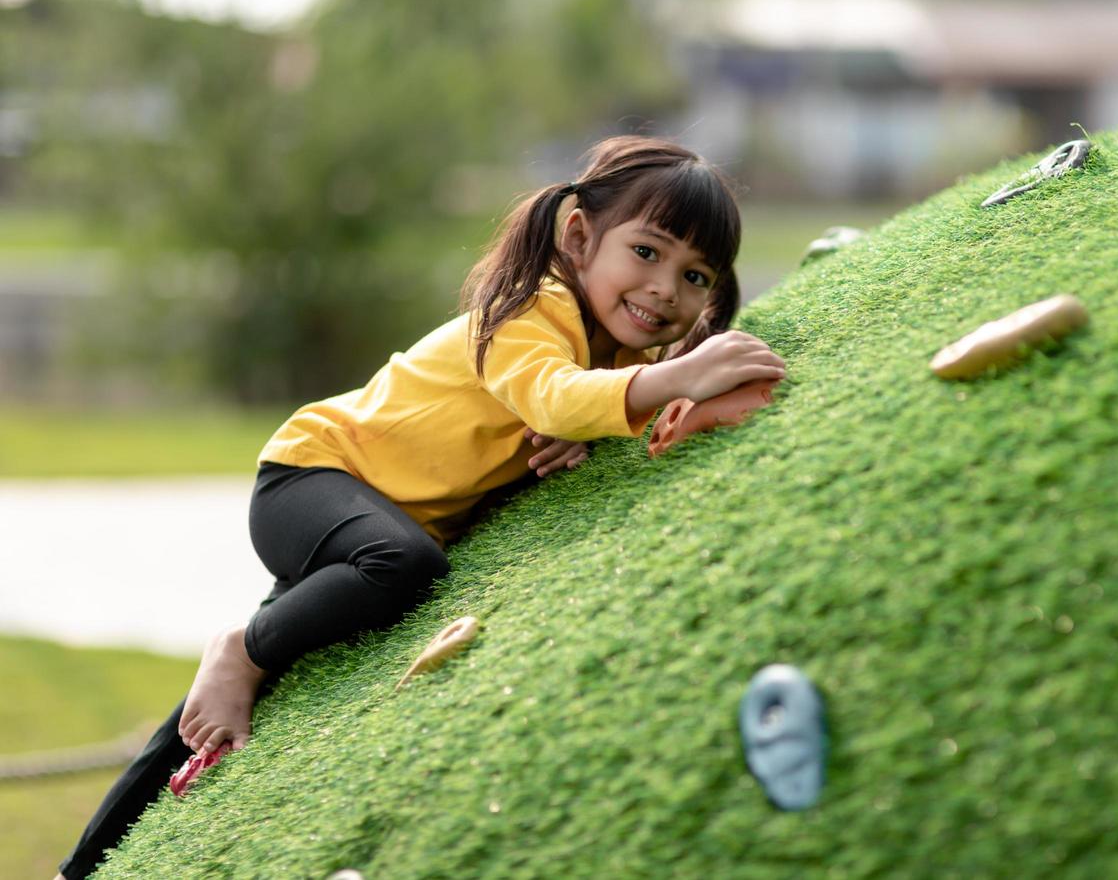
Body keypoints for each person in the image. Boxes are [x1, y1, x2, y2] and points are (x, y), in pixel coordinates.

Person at [57, 135, 787, 879]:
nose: (666, 288)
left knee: (211, 715)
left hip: (373, 514)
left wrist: (591, 432)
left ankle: (77, 869)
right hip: (313, 476)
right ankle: (239, 647)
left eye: (695, 275)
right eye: (647, 252)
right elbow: (553, 396)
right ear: (578, 237)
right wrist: (671, 381)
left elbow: (571, 411)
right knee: (401, 566)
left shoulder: (615, 358)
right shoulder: (535, 308)